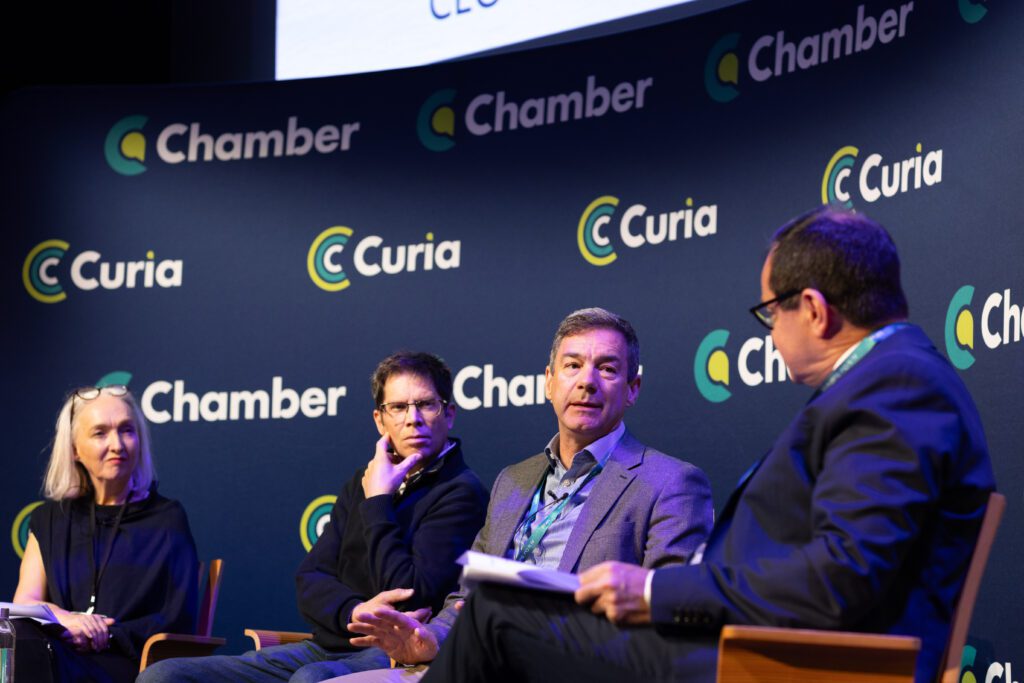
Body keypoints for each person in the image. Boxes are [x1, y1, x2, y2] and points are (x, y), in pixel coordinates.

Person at [418, 208, 996, 683]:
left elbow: (842, 576)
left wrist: (654, 588)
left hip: (789, 666)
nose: (770, 332)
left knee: (499, 617)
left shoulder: (894, 388)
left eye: (771, 312)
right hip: (762, 650)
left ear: (814, 311)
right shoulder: (895, 382)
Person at [342, 307, 714, 681]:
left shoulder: (671, 482)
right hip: (483, 659)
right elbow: (465, 598)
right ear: (549, 382)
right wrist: (430, 641)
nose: (587, 381)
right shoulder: (513, 480)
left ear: (632, 389)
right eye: (572, 365)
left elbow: (672, 620)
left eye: (607, 368)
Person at [138, 351, 489, 683]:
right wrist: (355, 612)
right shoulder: (363, 481)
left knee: (310, 679)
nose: (412, 418)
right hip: (329, 643)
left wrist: (379, 501)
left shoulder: (460, 490)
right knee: (166, 675)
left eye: (425, 404)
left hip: (398, 655)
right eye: (397, 407)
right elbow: (310, 577)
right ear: (379, 420)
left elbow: (411, 597)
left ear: (449, 413)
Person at [12, 385, 198, 682]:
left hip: (131, 662)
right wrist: (69, 621)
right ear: (74, 449)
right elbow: (26, 602)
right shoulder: (49, 519)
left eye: (127, 430)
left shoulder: (167, 518)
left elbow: (179, 618)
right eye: (100, 433)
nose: (117, 444)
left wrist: (108, 634)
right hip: (58, 651)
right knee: (18, 640)